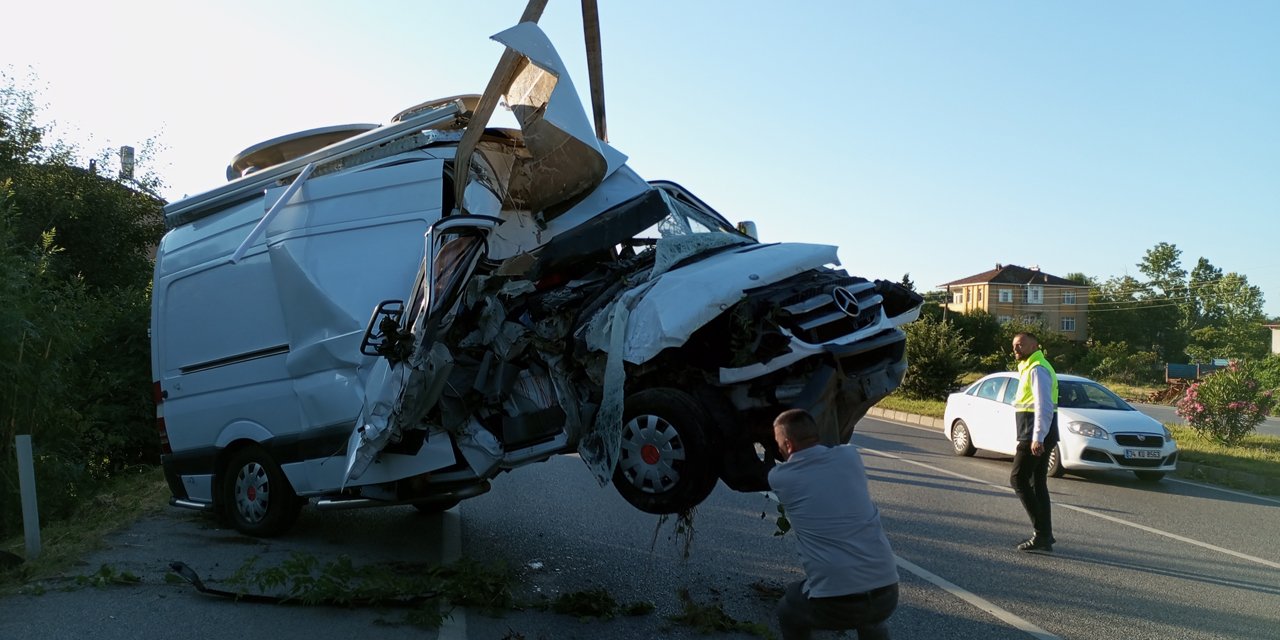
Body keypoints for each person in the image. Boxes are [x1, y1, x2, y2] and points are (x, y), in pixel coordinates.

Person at [769, 408, 899, 640]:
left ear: (788, 446)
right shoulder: (851, 456)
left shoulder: (781, 478)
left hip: (837, 604)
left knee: (787, 607)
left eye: (778, 443)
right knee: (871, 620)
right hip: (888, 592)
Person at [1010, 332, 1059, 552]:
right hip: (1037, 434)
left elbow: (1043, 406)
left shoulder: (1037, 368)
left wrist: (1037, 437)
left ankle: (1042, 533)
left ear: (1034, 346)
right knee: (1036, 483)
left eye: (1020, 345)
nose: (1016, 349)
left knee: (1018, 479)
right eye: (1014, 346)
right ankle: (1045, 535)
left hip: (1034, 435)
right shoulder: (1031, 367)